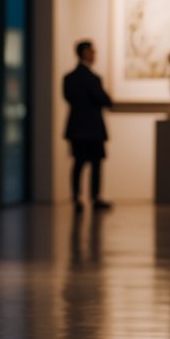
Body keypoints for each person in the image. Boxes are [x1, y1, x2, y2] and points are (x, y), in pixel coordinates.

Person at [63, 40, 114, 212]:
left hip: (77, 128)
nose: (94, 55)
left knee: (78, 164)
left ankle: (77, 198)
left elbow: (68, 98)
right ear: (84, 53)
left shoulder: (69, 78)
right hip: (93, 128)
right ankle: (94, 198)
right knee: (95, 164)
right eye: (92, 51)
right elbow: (105, 100)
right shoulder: (93, 78)